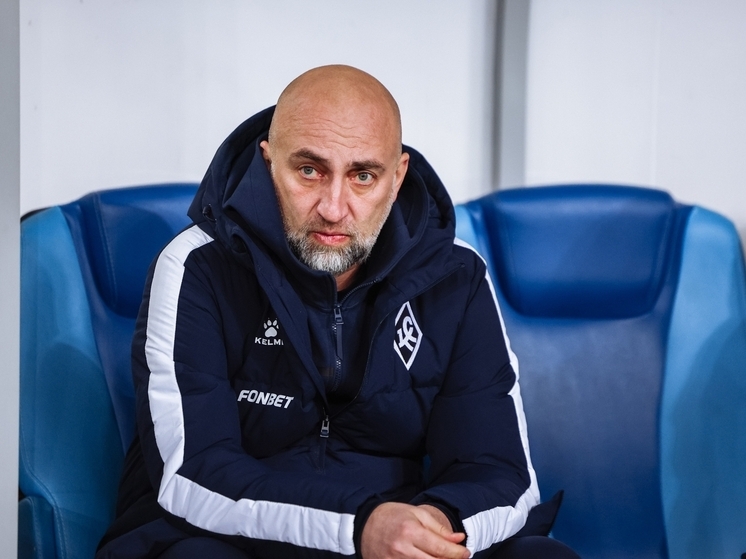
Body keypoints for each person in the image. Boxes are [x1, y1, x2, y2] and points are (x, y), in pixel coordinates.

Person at [97, 65, 579, 559]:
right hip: (239, 541)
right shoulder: (197, 265)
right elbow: (192, 475)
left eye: (363, 177)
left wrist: (438, 526)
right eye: (310, 171)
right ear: (268, 161)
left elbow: (502, 472)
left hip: (393, 540)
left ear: (397, 178)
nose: (333, 207)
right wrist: (358, 527)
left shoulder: (455, 277)